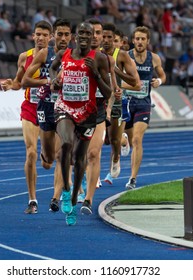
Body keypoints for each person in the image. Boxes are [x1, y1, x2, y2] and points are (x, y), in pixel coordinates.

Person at [49, 21, 112, 225]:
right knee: (66, 144)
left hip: (87, 112)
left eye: (89, 33)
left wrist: (95, 74)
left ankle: (75, 196)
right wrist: (53, 81)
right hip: (64, 107)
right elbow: (52, 69)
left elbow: (109, 92)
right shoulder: (63, 55)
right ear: (75, 36)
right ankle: (66, 192)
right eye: (81, 32)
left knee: (79, 159)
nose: (85, 36)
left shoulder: (99, 58)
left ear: (93, 36)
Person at [0, 20, 52, 214]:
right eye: (37, 34)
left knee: (47, 162)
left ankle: (46, 153)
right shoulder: (24, 57)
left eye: (44, 35)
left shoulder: (57, 57)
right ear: (33, 36)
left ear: (50, 37)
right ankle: (32, 200)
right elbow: (19, 82)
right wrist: (10, 84)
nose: (40, 38)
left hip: (51, 108)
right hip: (30, 107)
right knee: (30, 152)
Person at [21, 18, 72, 212]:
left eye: (67, 34)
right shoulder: (44, 54)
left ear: (71, 37)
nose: (63, 38)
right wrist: (46, 83)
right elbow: (25, 79)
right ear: (55, 37)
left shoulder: (77, 56)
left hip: (66, 109)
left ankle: (56, 198)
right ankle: (45, 153)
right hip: (45, 108)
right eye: (60, 34)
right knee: (48, 158)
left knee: (62, 154)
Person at [80, 18, 119, 215]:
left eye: (99, 33)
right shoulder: (73, 56)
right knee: (75, 156)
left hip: (98, 112)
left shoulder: (106, 59)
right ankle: (78, 186)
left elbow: (110, 90)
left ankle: (88, 199)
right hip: (76, 112)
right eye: (92, 32)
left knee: (93, 154)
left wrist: (109, 112)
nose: (96, 37)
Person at [123, 26, 166, 190]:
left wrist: (159, 82)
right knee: (123, 139)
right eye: (137, 39)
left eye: (143, 39)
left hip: (143, 103)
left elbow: (162, 75)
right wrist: (132, 85)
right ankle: (122, 142)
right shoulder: (125, 57)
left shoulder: (154, 58)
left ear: (148, 41)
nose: (140, 42)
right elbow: (116, 78)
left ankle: (132, 178)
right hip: (126, 103)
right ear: (133, 40)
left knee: (137, 139)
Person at [101, 22, 140, 185]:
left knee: (113, 140)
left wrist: (115, 71)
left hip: (117, 102)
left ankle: (118, 151)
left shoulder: (122, 56)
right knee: (102, 139)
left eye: (110, 37)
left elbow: (136, 83)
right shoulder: (95, 54)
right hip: (98, 100)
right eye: (104, 36)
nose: (106, 40)